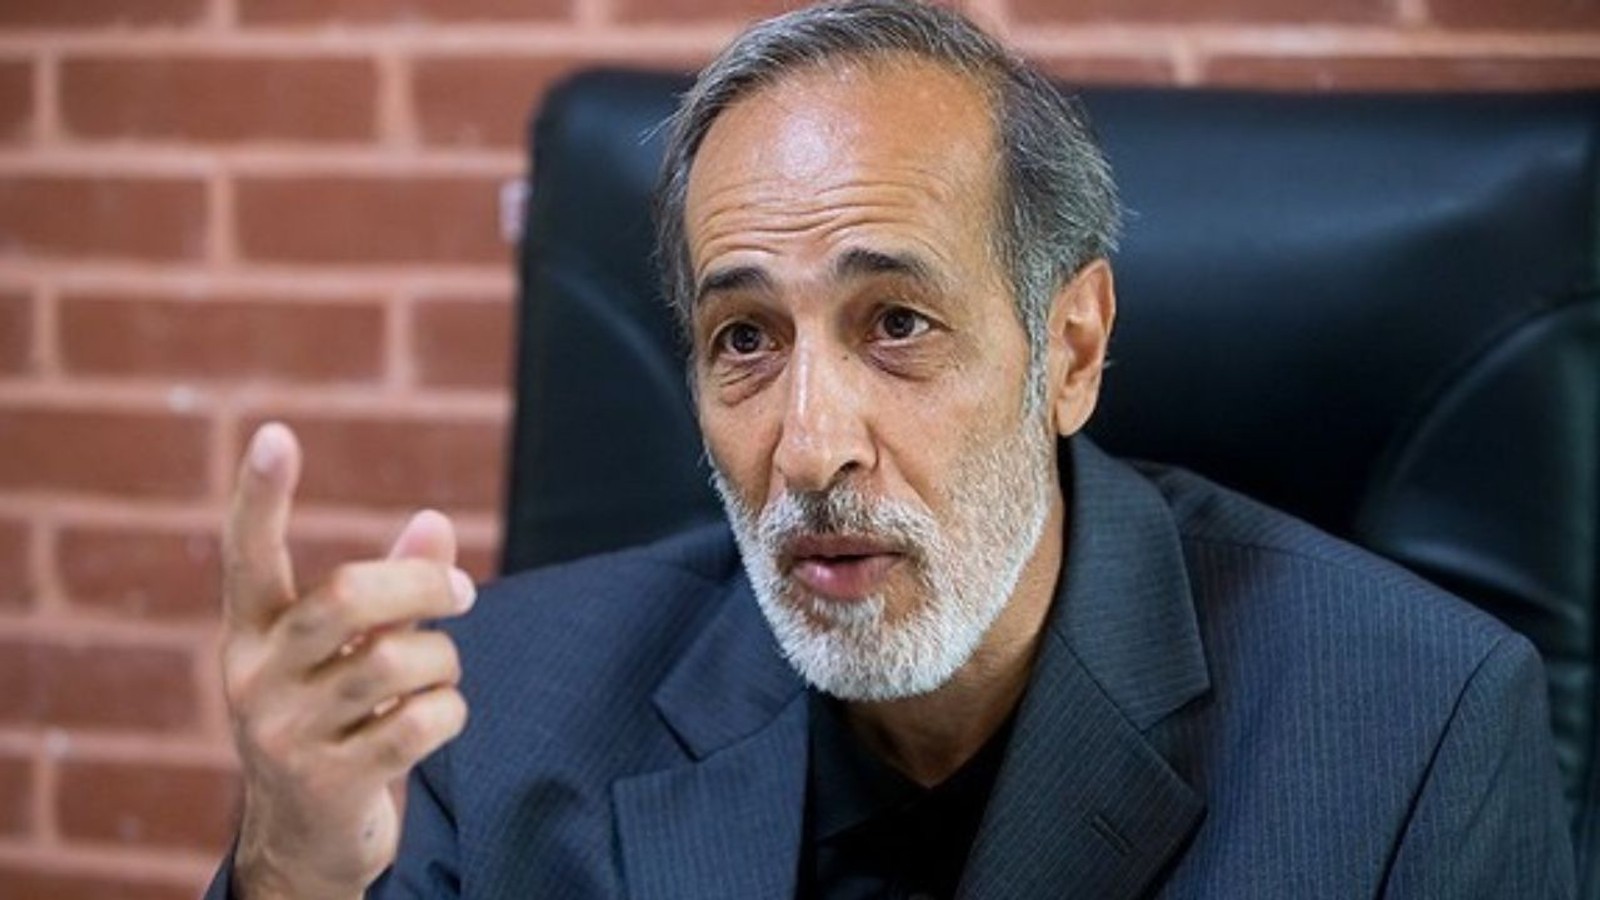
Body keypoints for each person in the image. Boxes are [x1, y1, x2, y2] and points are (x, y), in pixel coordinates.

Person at [207, 1, 1575, 897]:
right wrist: (294, 866)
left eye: (898, 323)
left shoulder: (1411, 733)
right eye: (746, 338)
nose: (810, 447)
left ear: (1072, 351)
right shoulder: (491, 708)